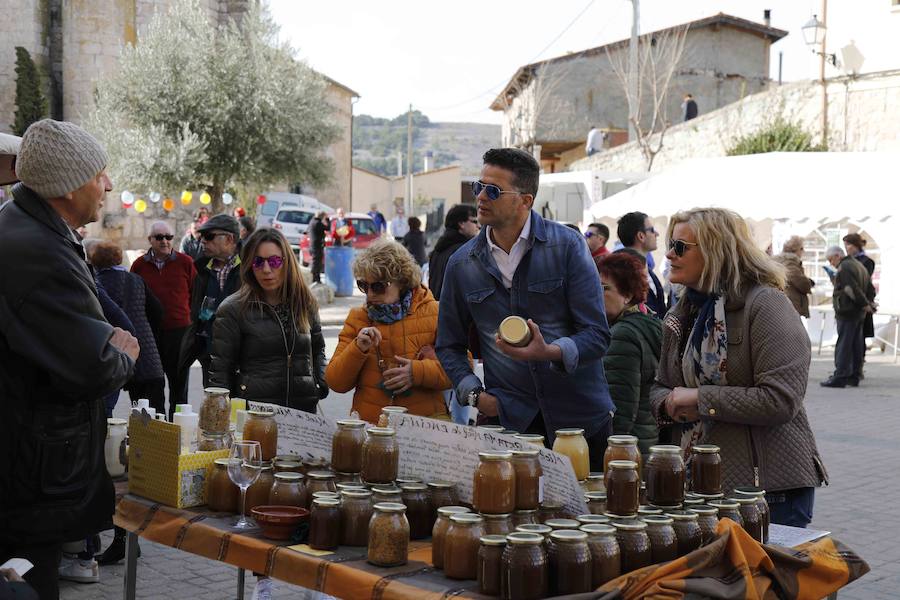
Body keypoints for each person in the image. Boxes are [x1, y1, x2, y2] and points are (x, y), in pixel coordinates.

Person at [0, 119, 138, 599]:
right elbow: (95, 363)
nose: (108, 185)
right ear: (67, 185)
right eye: (100, 173)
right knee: (30, 586)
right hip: (32, 475)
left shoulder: (28, 229)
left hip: (28, 464)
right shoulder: (39, 251)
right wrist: (121, 353)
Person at [436, 148, 615, 467]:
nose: (481, 197)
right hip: (510, 423)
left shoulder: (568, 247)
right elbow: (449, 345)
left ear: (526, 200)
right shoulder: (461, 264)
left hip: (580, 422)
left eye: (493, 191)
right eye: (479, 187)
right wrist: (475, 395)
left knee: (589, 516)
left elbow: (598, 335)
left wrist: (550, 352)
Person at [651, 207, 827, 528]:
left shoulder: (765, 305)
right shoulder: (684, 311)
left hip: (766, 491)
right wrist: (669, 403)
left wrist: (699, 400)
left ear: (716, 250)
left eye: (680, 247)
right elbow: (661, 385)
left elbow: (780, 400)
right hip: (699, 487)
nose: (669, 255)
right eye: (670, 245)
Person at [326, 240, 451, 423]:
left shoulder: (435, 313)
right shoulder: (358, 318)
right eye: (363, 286)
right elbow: (336, 382)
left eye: (378, 287)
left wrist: (416, 372)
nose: (369, 295)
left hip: (425, 429)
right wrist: (357, 348)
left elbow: (461, 368)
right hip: (372, 428)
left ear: (401, 281)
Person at [209, 228, 328, 411]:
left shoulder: (305, 302)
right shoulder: (233, 309)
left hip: (302, 415)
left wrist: (321, 379)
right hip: (254, 416)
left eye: (274, 261)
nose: (266, 270)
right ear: (249, 264)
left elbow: (318, 349)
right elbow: (220, 374)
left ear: (286, 262)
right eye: (258, 262)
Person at [597, 252, 661, 455]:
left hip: (628, 453)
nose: (595, 294)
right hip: (646, 441)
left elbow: (621, 409)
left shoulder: (622, 334)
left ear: (627, 294)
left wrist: (613, 455)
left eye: (604, 288)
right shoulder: (648, 323)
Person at [130, 221, 197, 416]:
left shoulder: (186, 262)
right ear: (150, 240)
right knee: (153, 384)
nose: (165, 241)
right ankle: (158, 430)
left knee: (179, 385)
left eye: (168, 237)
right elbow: (133, 296)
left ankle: (178, 429)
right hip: (150, 334)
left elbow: (195, 293)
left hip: (180, 333)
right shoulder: (139, 265)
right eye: (159, 237)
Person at [91, 241, 165, 413]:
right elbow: (158, 311)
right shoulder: (136, 279)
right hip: (146, 352)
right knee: (151, 412)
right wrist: (147, 332)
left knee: (106, 411)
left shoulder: (99, 283)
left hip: (118, 351)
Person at [178, 213, 242, 390]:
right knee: (215, 408)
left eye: (209, 236)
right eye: (201, 237)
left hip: (242, 355)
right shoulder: (199, 270)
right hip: (210, 354)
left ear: (229, 239)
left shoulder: (251, 268)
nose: (202, 242)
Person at [821, 246, 875, 388]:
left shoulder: (845, 267)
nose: (831, 263)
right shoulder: (859, 265)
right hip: (858, 313)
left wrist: (864, 304)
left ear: (838, 255)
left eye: (831, 259)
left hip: (847, 310)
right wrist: (869, 303)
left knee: (844, 345)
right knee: (856, 344)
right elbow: (870, 288)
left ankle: (840, 376)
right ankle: (854, 375)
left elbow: (850, 288)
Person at [617, 211, 667, 318]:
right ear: (641, 236)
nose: (657, 234)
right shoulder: (623, 272)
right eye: (652, 230)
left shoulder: (646, 269)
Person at [428, 204, 479, 300]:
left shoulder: (438, 250)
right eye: (474, 221)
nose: (478, 226)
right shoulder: (463, 252)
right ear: (461, 224)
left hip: (438, 307)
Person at [843, 233, 876, 375]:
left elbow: (863, 283)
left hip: (861, 303)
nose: (847, 248)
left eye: (849, 245)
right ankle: (850, 368)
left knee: (858, 337)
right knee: (852, 338)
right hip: (851, 302)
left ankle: (857, 368)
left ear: (856, 245)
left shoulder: (866, 262)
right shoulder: (848, 261)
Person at [774, 236, 814, 318]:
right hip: (791, 304)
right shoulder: (790, 262)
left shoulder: (780, 260)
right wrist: (809, 282)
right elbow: (801, 283)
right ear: (795, 249)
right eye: (802, 248)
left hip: (783, 302)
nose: (803, 251)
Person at [308, 211, 328, 284]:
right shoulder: (317, 223)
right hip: (317, 246)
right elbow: (327, 228)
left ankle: (316, 278)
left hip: (312, 246)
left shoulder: (312, 222)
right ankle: (314, 279)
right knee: (317, 263)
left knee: (316, 263)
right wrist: (327, 219)